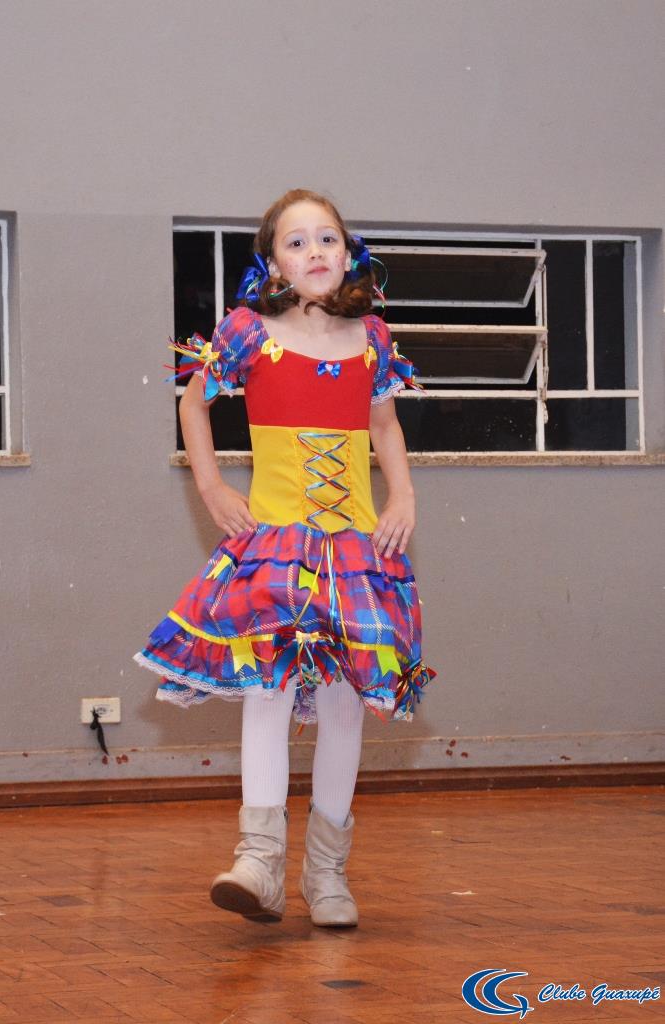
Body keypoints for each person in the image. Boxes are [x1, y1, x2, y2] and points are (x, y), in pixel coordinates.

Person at [134, 188, 436, 928]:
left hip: (354, 549)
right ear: (272, 263)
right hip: (274, 543)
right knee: (265, 690)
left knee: (343, 704)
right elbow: (193, 402)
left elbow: (385, 425)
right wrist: (211, 486)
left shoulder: (371, 336)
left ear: (348, 252)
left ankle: (326, 875)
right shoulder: (248, 331)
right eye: (295, 242)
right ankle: (259, 861)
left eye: (327, 238)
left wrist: (402, 497)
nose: (314, 252)